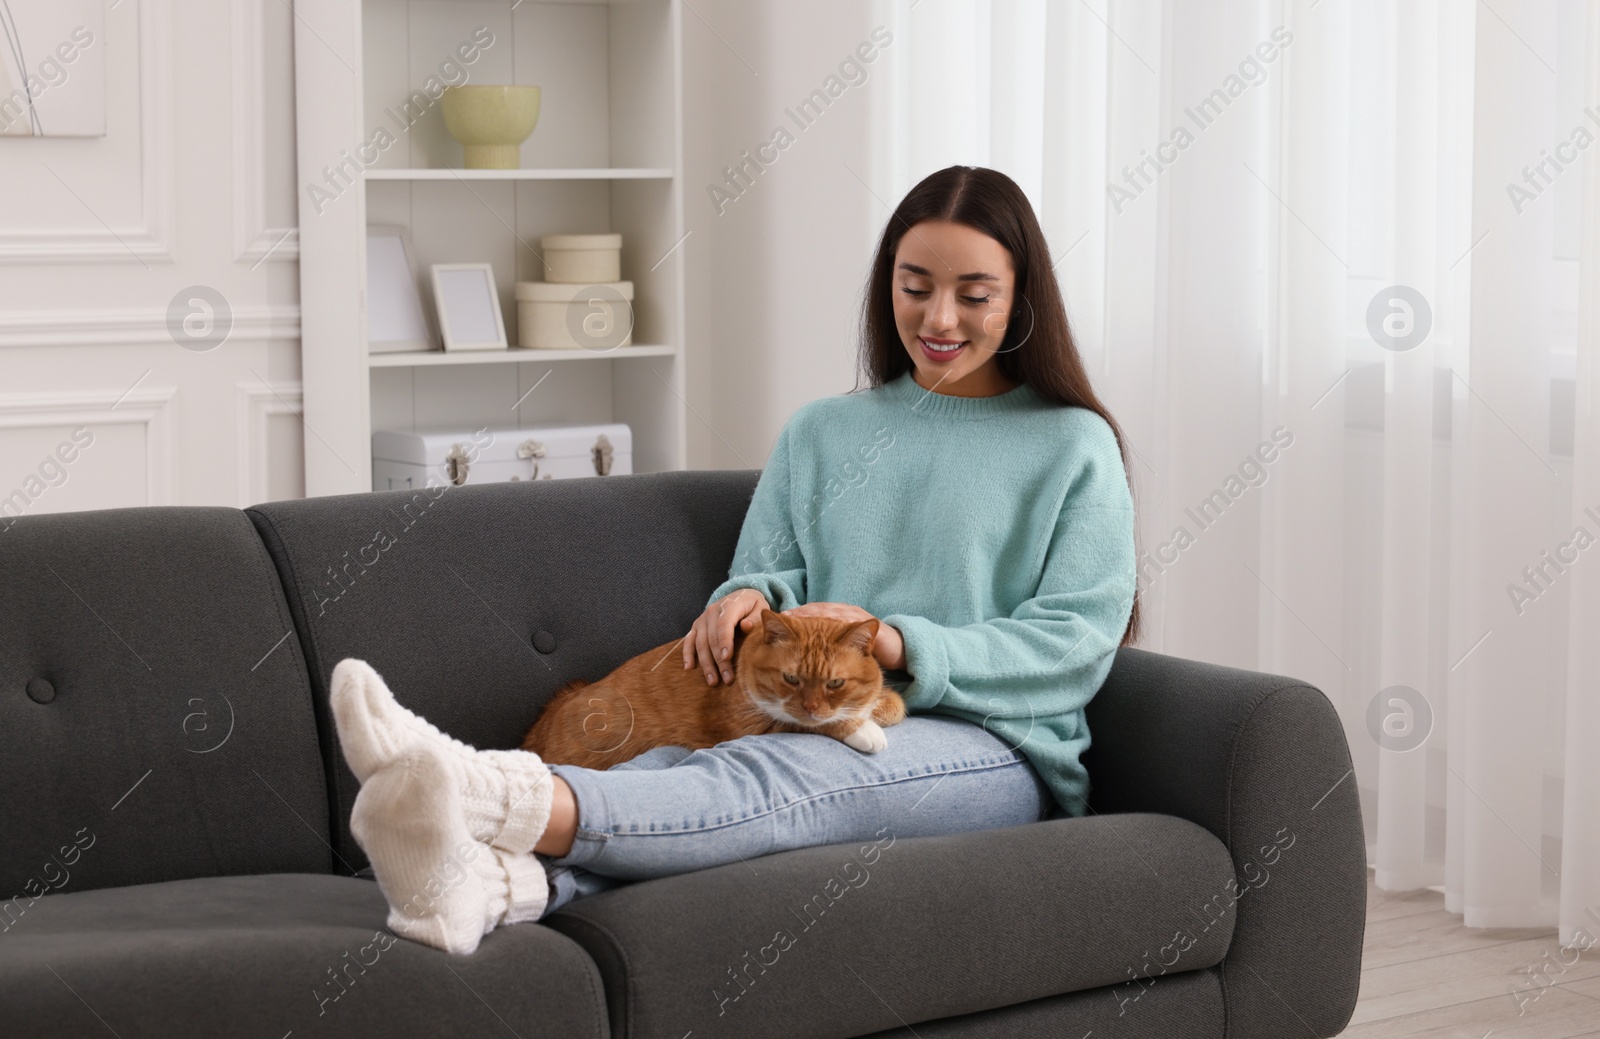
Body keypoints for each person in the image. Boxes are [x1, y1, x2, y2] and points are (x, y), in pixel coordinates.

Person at [330, 165, 1141, 955]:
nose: (938, 316)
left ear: (1020, 297)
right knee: (677, 765)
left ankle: (484, 790)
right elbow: (768, 573)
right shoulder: (824, 431)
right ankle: (498, 887)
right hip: (814, 714)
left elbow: (1075, 640)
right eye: (914, 283)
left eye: (974, 294)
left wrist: (900, 644)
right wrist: (744, 601)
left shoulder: (1070, 443)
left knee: (776, 776)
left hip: (991, 746)